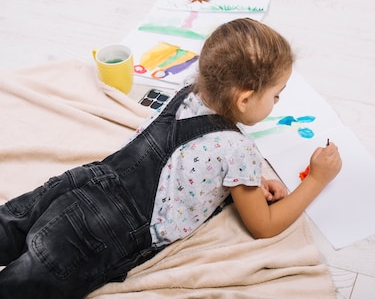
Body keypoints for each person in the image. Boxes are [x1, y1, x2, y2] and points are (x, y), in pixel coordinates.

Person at [0, 18, 342, 299]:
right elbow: (263, 226)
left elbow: (191, 161)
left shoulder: (188, 94)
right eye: (276, 95)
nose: (278, 103)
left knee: (9, 225)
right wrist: (316, 179)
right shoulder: (239, 151)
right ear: (245, 99)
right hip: (107, 231)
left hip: (86, 181)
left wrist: (251, 180)